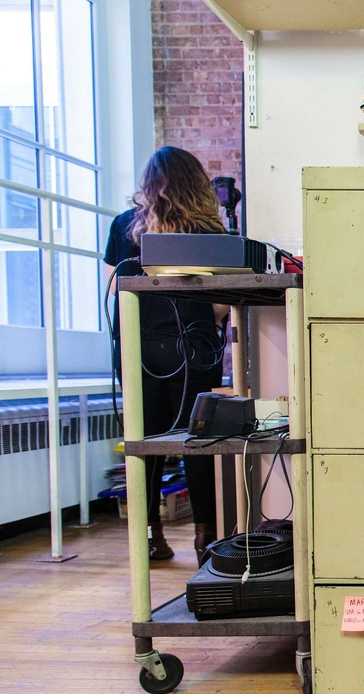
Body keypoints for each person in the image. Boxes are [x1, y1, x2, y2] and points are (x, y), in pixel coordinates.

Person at [105, 146, 229, 565]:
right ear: (197, 184)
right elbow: (221, 306)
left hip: (138, 351)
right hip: (194, 349)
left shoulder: (123, 226)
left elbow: (114, 291)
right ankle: (204, 540)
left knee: (145, 445)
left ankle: (149, 537)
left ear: (148, 185)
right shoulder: (212, 233)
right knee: (200, 443)